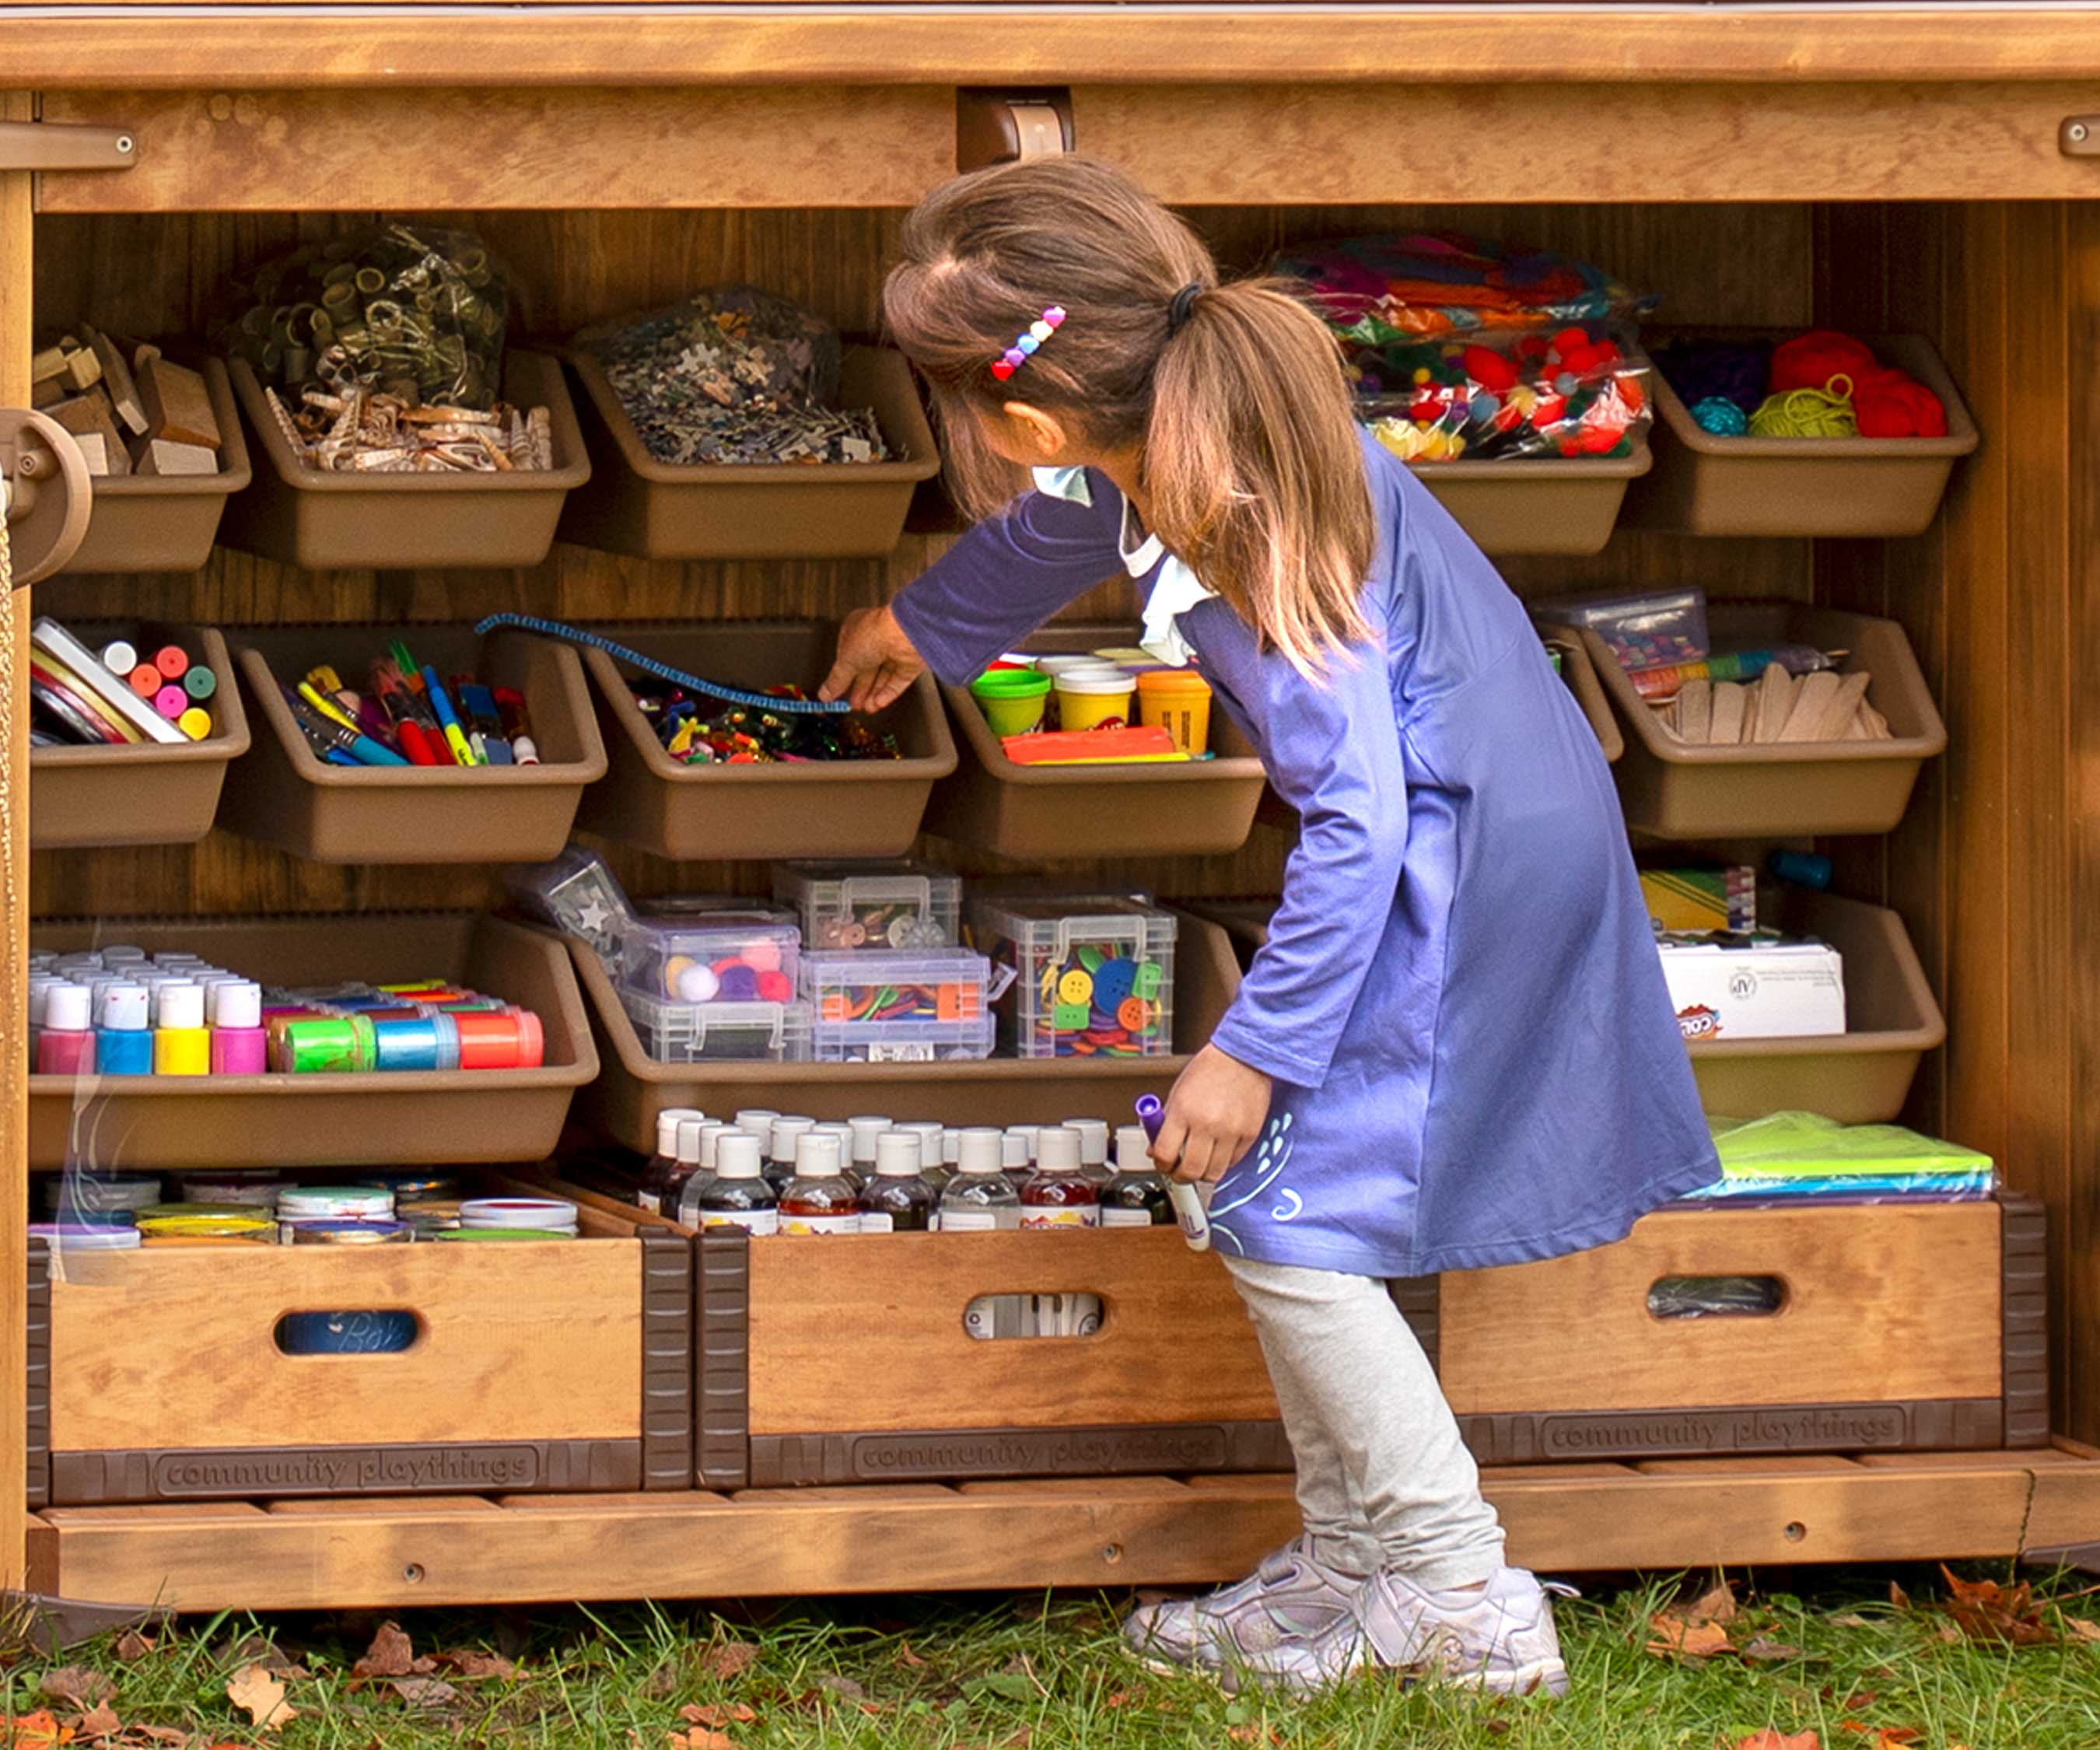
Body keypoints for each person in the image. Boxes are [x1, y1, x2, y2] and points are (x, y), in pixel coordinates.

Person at [821, 158, 1718, 1697]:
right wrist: (934, 621)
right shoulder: (1191, 424)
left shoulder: (1244, 518)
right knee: (1260, 1203)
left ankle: (1453, 1592)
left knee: (1279, 1208)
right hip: (1493, 818)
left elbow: (1363, 815)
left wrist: (1255, 1045)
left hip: (1457, 857)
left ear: (1026, 415)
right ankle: (1356, 1574)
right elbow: (1074, 512)